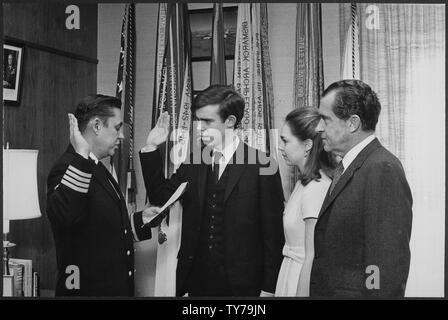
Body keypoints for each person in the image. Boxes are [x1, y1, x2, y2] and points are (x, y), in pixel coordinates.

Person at [140, 85, 285, 297]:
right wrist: (151, 147)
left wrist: (269, 288)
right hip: (198, 280)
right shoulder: (193, 161)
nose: (200, 128)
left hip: (244, 284)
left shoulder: (262, 165)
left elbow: (273, 236)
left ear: (230, 121)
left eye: (207, 122)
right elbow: (160, 197)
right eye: (198, 121)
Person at [47, 94, 159, 296]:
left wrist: (142, 219)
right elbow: (65, 219)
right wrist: (81, 155)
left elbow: (100, 229)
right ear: (97, 126)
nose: (122, 135)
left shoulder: (96, 166)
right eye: (117, 128)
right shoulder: (69, 167)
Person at [310, 80, 413, 298]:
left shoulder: (381, 169)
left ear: (352, 123)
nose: (319, 128)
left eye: (326, 119)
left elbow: (384, 265)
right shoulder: (349, 166)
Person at [275, 107, 331, 297]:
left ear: (307, 145)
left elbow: (312, 256)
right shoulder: (303, 182)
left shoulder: (316, 187)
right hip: (290, 273)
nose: (281, 147)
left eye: (285, 141)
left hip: (300, 280)